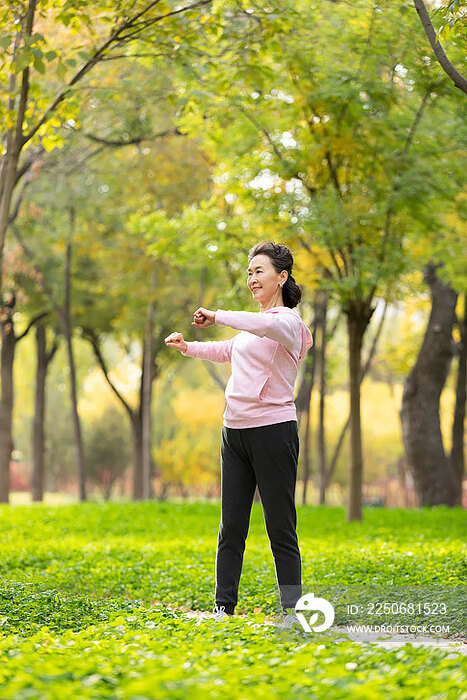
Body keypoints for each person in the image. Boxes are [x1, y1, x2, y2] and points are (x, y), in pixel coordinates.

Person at [164, 241, 313, 625]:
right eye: (249, 272)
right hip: (235, 433)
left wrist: (217, 314)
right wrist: (188, 348)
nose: (252, 278)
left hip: (274, 431)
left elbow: (261, 325)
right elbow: (229, 350)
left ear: (281, 277)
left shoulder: (289, 325)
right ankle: (222, 608)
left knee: (280, 527)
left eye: (258, 271)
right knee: (231, 526)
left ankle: (292, 611)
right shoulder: (251, 327)